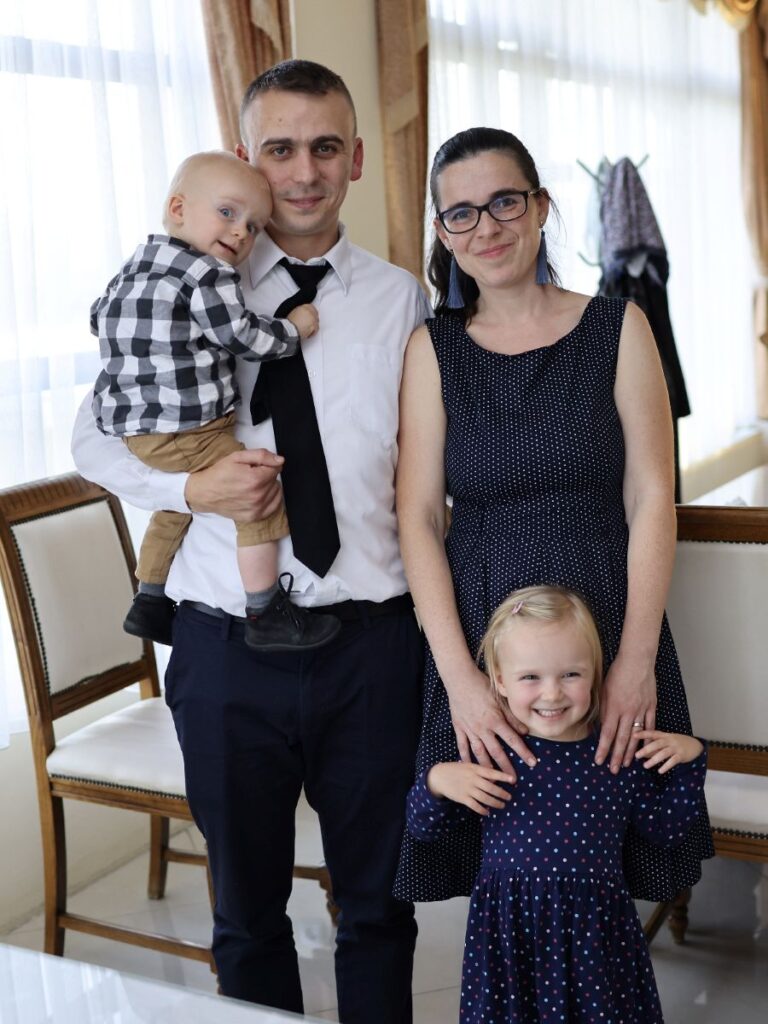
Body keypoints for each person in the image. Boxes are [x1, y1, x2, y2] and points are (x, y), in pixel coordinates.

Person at [72, 60, 430, 1021]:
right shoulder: (178, 279)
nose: (304, 172)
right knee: (245, 917)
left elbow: (424, 467)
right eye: (280, 149)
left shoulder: (401, 298)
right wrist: (190, 486)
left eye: (325, 147)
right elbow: (92, 441)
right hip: (225, 644)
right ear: (246, 158)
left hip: (371, 643)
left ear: (357, 158)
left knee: (379, 908)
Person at [393, 126, 713, 906]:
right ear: (443, 232)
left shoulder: (619, 326)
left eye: (505, 202)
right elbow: (418, 519)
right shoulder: (433, 349)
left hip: (608, 617)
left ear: (541, 207)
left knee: (613, 851)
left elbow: (651, 497)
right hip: (483, 634)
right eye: (463, 213)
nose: (488, 227)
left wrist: (635, 659)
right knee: (503, 859)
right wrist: (461, 680)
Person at [407, 584, 707, 1023]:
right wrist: (435, 782)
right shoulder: (491, 754)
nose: (552, 694)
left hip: (596, 939)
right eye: (531, 677)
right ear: (500, 680)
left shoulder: (615, 754)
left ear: (596, 674)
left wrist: (692, 761)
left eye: (571, 675)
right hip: (510, 938)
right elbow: (423, 828)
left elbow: (667, 829)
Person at [91, 150, 339, 653]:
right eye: (227, 212)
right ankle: (264, 610)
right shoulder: (208, 275)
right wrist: (293, 330)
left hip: (136, 431)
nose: (241, 232)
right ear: (178, 208)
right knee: (256, 495)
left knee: (178, 506)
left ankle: (149, 599)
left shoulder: (134, 266)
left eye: (254, 226)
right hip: (189, 428)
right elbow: (241, 336)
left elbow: (98, 319)